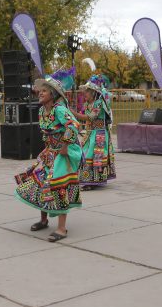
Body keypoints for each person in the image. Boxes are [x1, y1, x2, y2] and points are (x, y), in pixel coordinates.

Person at [14, 68, 82, 242]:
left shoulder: (59, 109)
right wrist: (46, 150)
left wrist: (65, 146)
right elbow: (47, 133)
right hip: (50, 152)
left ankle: (61, 228)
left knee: (58, 185)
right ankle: (44, 220)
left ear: (52, 94)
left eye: (44, 91)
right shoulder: (41, 111)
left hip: (63, 154)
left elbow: (74, 124)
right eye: (40, 90)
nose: (40, 93)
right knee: (39, 182)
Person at [72, 74, 116, 189]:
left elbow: (90, 117)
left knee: (94, 156)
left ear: (93, 92)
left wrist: (74, 114)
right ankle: (88, 179)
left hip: (99, 134)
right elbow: (87, 119)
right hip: (90, 133)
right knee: (84, 154)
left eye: (86, 92)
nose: (84, 94)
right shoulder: (87, 104)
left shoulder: (99, 103)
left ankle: (93, 181)